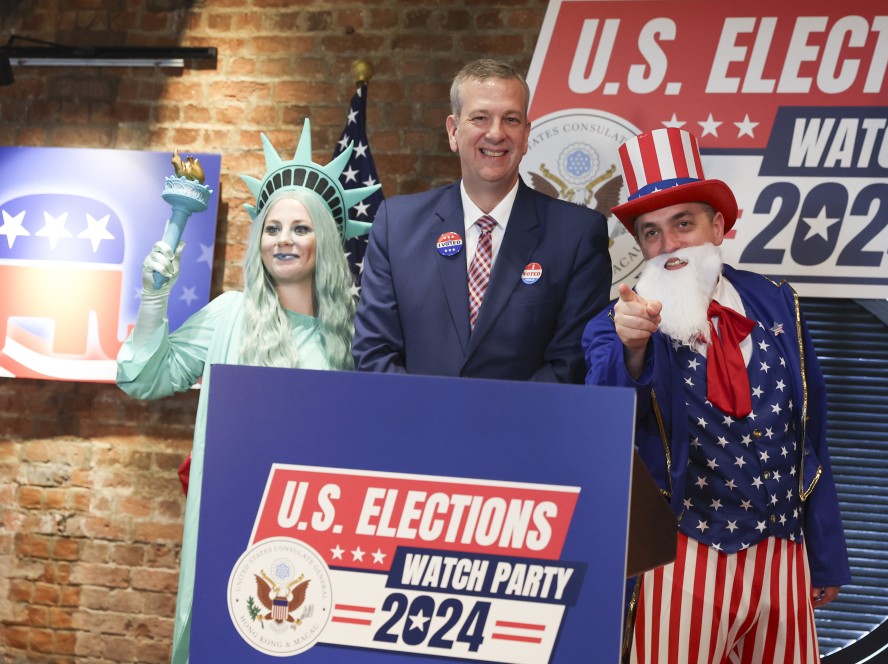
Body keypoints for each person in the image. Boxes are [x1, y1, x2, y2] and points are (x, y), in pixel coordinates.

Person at [583, 128, 850, 663]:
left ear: (719, 226)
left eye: (684, 223)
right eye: (652, 233)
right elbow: (603, 424)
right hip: (681, 562)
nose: (669, 245)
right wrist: (630, 348)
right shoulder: (618, 323)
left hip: (782, 554)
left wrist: (825, 553)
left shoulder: (776, 302)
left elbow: (809, 434)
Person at [116, 119, 379, 664]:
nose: (284, 240)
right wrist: (153, 296)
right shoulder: (229, 315)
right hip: (233, 529)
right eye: (272, 227)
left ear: (325, 239)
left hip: (322, 536)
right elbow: (143, 377)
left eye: (300, 228)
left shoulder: (359, 334)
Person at [353, 58, 611, 382]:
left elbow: (571, 361)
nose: (496, 133)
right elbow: (374, 353)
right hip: (415, 427)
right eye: (480, 118)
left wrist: (492, 426)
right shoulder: (396, 225)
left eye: (511, 119)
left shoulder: (577, 235)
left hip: (525, 430)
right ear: (453, 131)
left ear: (526, 134)